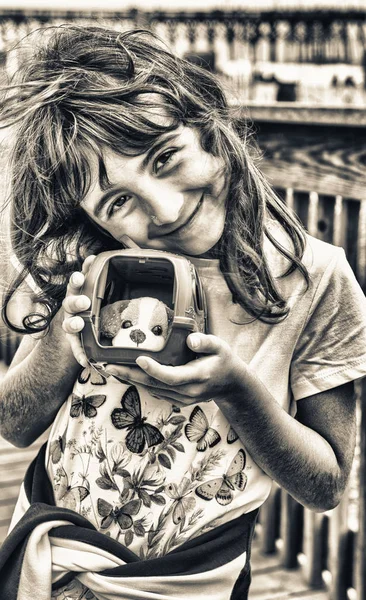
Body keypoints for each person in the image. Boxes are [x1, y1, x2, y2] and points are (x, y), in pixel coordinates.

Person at [0, 24, 366, 600]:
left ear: (210, 130)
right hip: (53, 561)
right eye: (117, 201)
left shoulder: (316, 280)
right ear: (94, 220)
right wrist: (60, 340)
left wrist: (236, 390)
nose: (165, 211)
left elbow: (325, 484)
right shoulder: (92, 264)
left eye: (166, 156)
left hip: (194, 582)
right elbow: (14, 424)